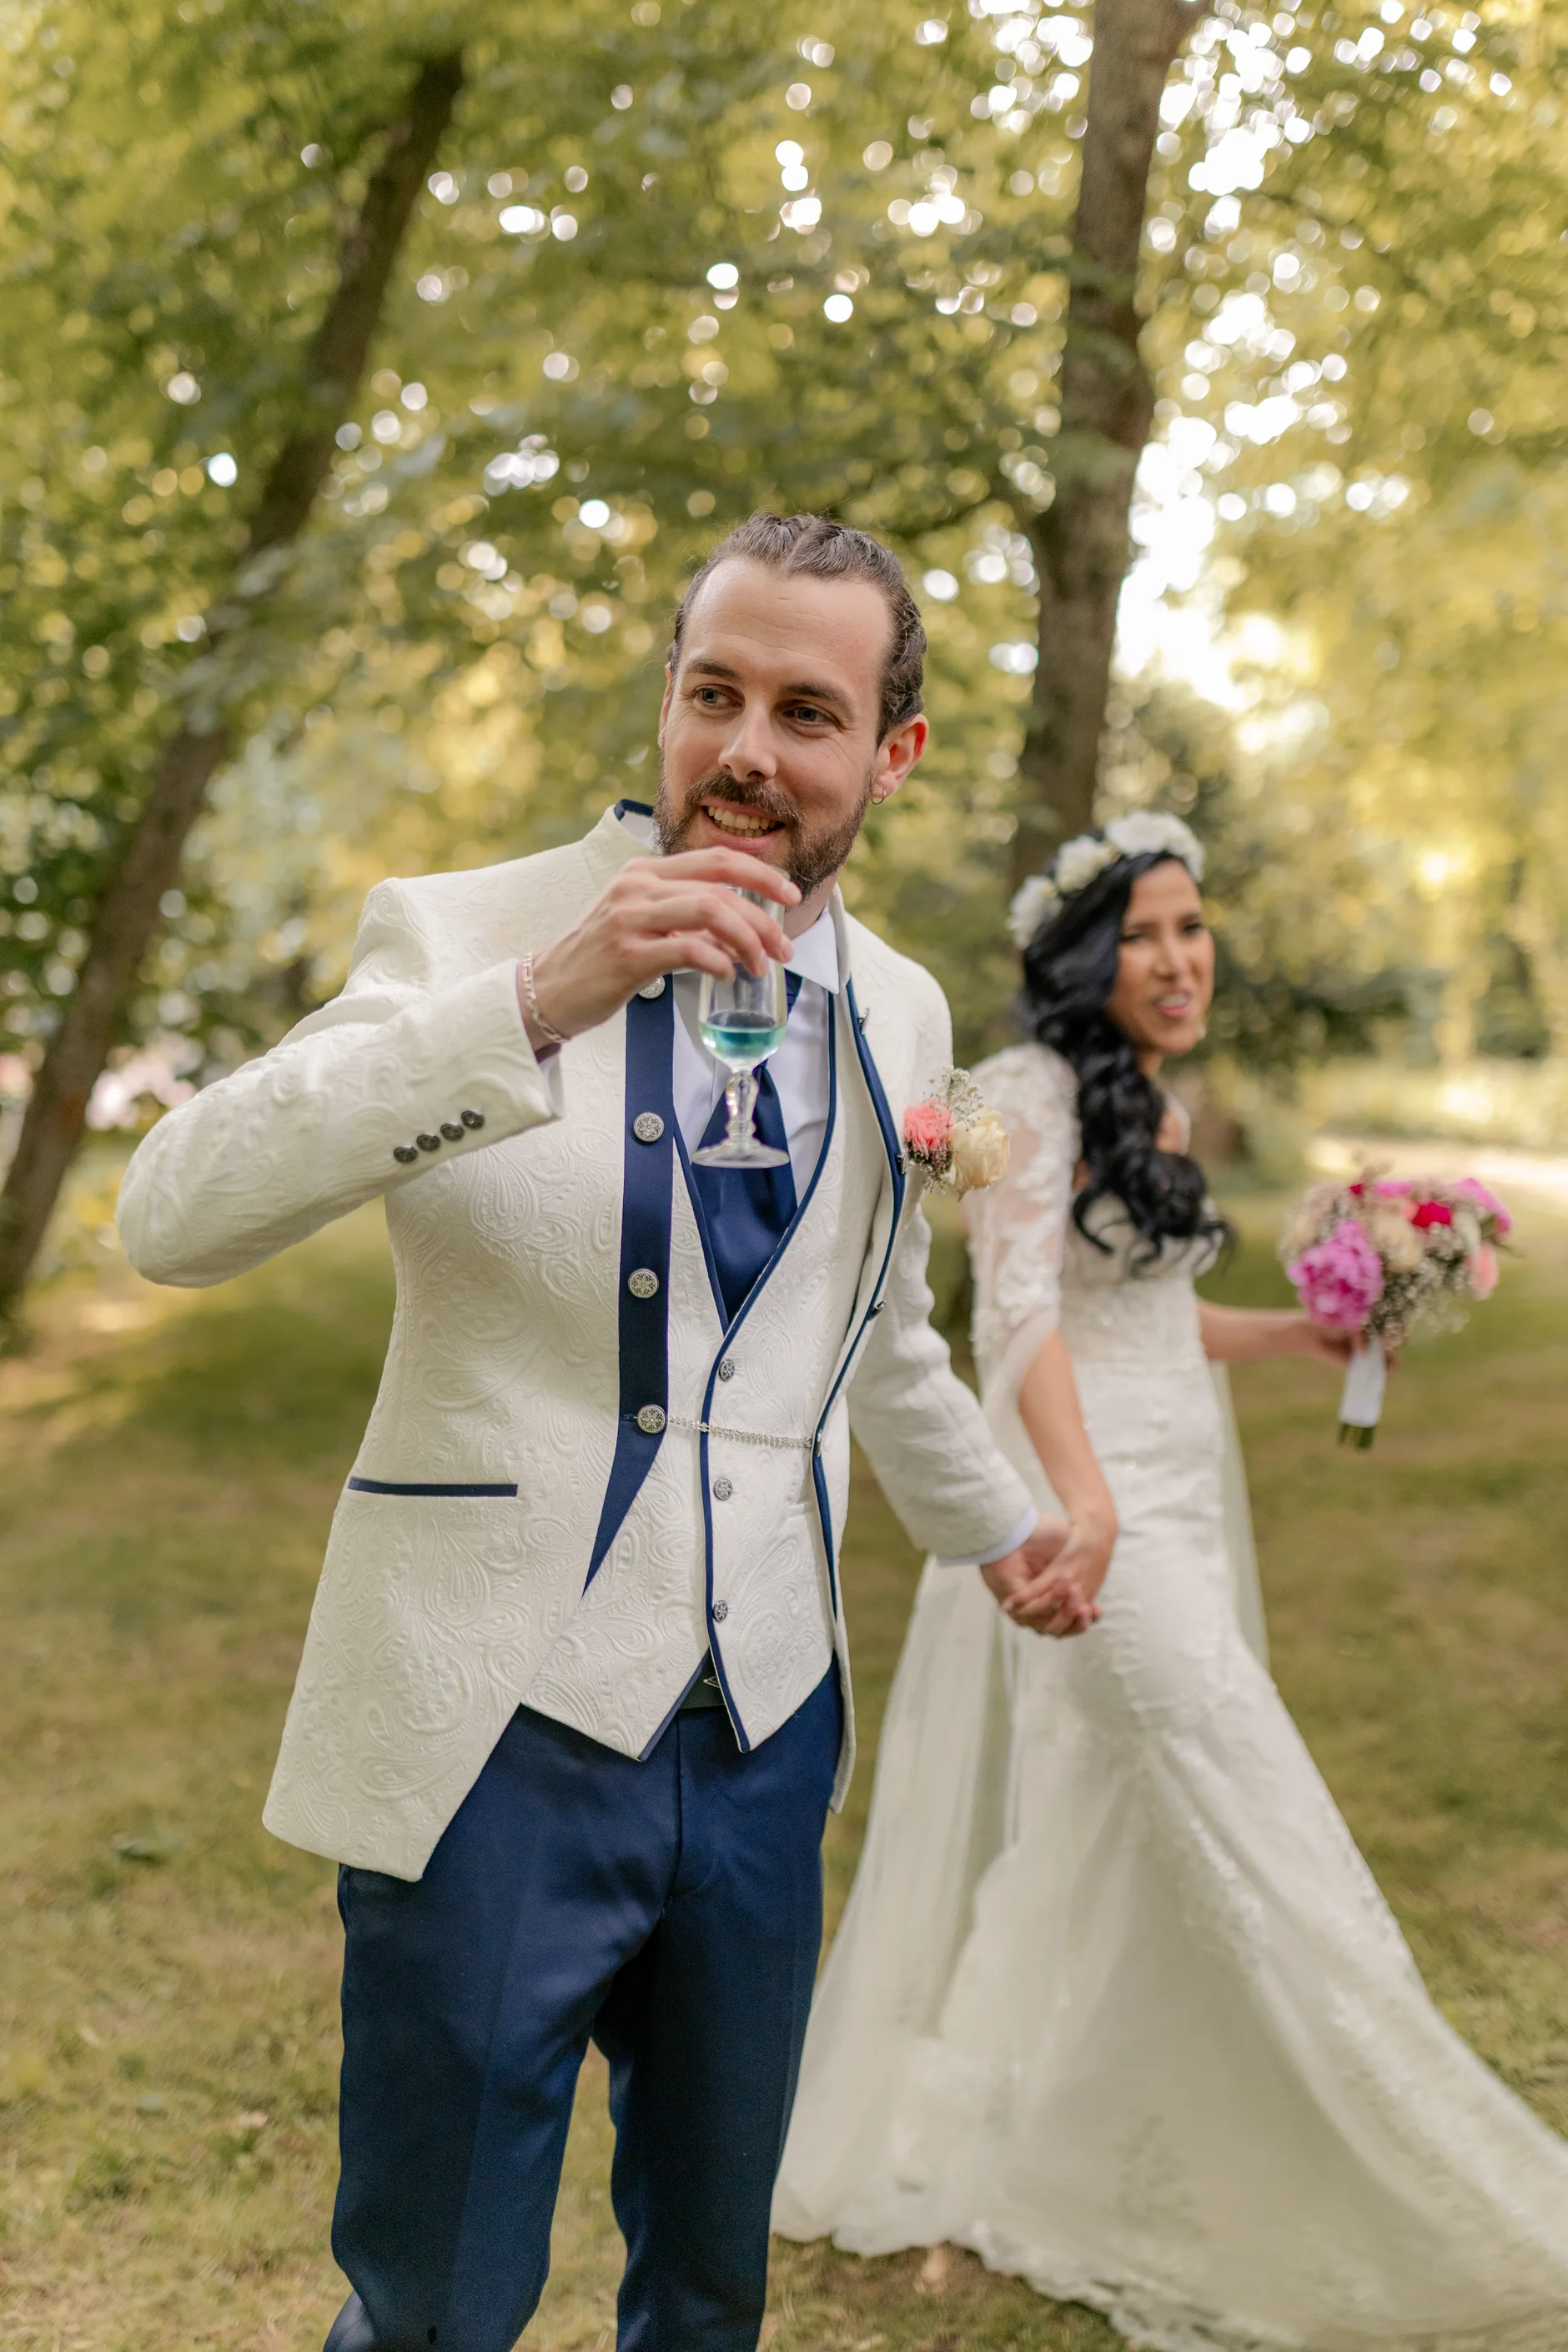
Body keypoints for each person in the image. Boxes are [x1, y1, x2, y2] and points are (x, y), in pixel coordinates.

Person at [116, 513, 1093, 2352]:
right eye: (712, 691)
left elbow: (878, 1334)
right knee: (434, 2300)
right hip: (491, 1723)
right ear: (667, 699)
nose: (745, 747)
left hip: (764, 1734)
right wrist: (542, 1000)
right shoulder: (467, 932)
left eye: (809, 711)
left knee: (711, 2285)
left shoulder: (898, 1008)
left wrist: (999, 1528)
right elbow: (172, 1215)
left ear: (892, 754)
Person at [774, 812, 1568, 2349]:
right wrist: (1082, 1497)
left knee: (1120, 1821)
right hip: (1098, 1520)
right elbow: (1020, 1324)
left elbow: (1140, 1316)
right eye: (1143, 934)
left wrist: (1303, 1336)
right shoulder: (1023, 1096)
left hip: (1178, 1500)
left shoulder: (1156, 1112)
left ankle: (1090, 2133)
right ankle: (1384, 2149)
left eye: (1192, 929)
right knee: (1240, 1800)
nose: (1179, 957)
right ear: (1085, 959)